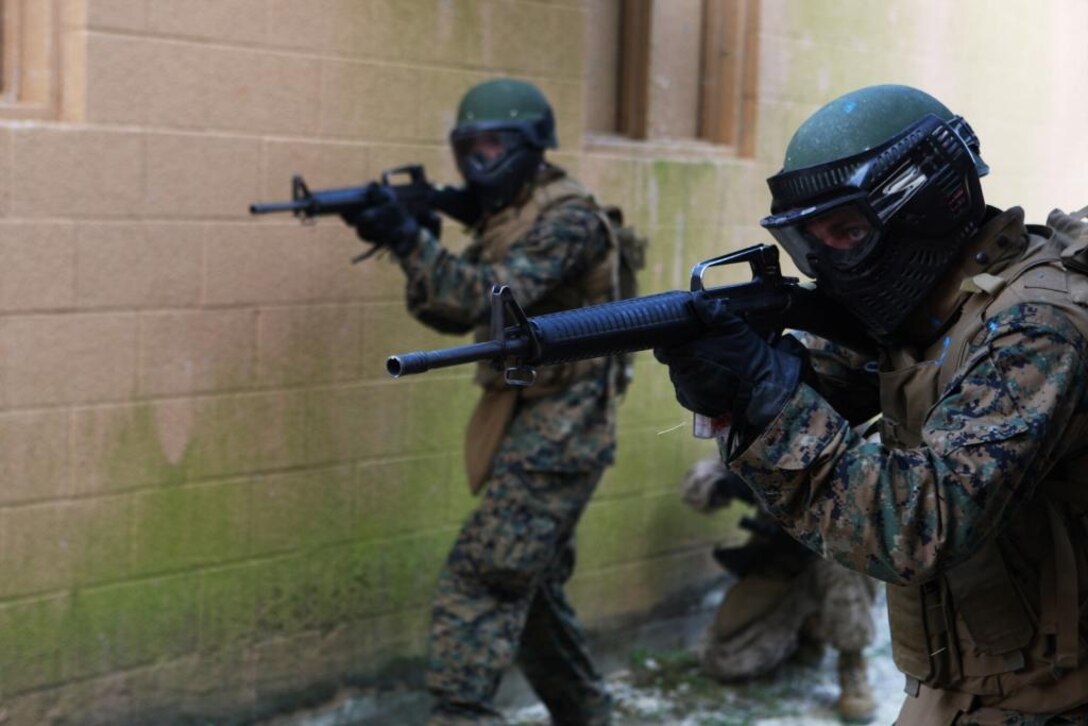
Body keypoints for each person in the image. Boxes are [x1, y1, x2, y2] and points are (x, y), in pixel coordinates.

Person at [653, 84, 1088, 724]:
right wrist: (728, 393)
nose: (828, 263)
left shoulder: (1037, 326)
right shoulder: (929, 309)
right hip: (964, 689)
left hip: (1057, 696)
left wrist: (768, 401)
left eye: (847, 233)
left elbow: (914, 526)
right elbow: (819, 385)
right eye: (811, 243)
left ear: (931, 206)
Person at [344, 78, 620, 725]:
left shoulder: (568, 218)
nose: (478, 162)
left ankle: (459, 713)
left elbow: (486, 300)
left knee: (484, 576)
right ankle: (591, 716)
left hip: (566, 425)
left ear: (530, 146)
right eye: (468, 148)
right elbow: (449, 316)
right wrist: (415, 239)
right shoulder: (505, 214)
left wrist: (412, 240)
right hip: (531, 417)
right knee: (531, 588)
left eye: (493, 146)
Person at [681, 360, 879, 724]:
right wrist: (721, 484)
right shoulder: (757, 424)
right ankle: (804, 634)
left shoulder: (854, 423)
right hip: (780, 558)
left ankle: (852, 665)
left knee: (844, 568)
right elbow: (699, 485)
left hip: (835, 552)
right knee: (726, 658)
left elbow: (878, 493)